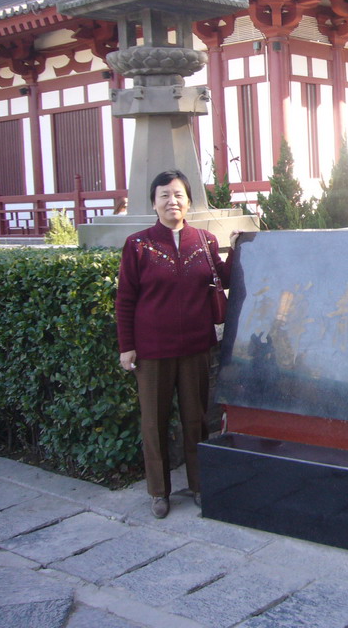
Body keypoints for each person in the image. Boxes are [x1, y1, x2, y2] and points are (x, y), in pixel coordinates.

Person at [115, 169, 235, 519]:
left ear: (189, 200)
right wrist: (128, 346)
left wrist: (242, 246)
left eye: (179, 194)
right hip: (152, 350)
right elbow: (125, 300)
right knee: (154, 421)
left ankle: (199, 484)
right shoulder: (139, 245)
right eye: (165, 195)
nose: (173, 201)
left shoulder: (205, 241)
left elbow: (226, 278)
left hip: (196, 346)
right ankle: (159, 491)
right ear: (154, 203)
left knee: (195, 419)